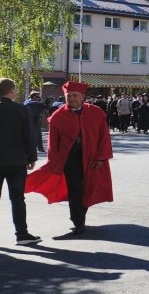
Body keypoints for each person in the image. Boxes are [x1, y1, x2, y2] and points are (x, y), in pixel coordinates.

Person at [26, 80, 113, 235]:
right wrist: (53, 162)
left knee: (88, 189)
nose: (71, 98)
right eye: (68, 96)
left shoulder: (96, 113)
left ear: (82, 97)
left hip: (91, 159)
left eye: (75, 95)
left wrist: (102, 157)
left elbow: (104, 137)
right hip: (69, 160)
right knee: (75, 190)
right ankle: (78, 221)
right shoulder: (59, 116)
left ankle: (80, 217)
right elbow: (53, 142)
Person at [1, 78, 41, 245]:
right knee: (17, 198)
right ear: (11, 91)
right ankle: (22, 234)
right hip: (17, 161)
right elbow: (29, 136)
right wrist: (32, 157)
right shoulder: (22, 110)